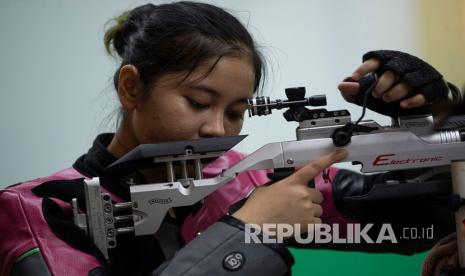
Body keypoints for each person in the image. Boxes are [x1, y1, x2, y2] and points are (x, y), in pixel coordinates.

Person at [0, 2, 460, 276]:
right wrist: (248, 232)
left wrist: (429, 120)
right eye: (198, 102)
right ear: (131, 87)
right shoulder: (37, 209)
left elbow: (416, 219)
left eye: (236, 112)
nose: (217, 130)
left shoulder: (245, 179)